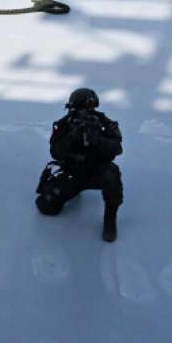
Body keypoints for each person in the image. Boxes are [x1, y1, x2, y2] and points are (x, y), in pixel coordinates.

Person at [35, 88, 123, 242]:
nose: (85, 114)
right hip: (72, 173)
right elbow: (55, 152)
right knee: (46, 207)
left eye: (89, 109)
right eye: (79, 110)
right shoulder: (64, 124)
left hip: (97, 171)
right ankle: (71, 191)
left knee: (112, 174)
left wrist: (98, 140)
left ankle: (110, 217)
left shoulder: (104, 122)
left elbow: (117, 149)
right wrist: (71, 137)